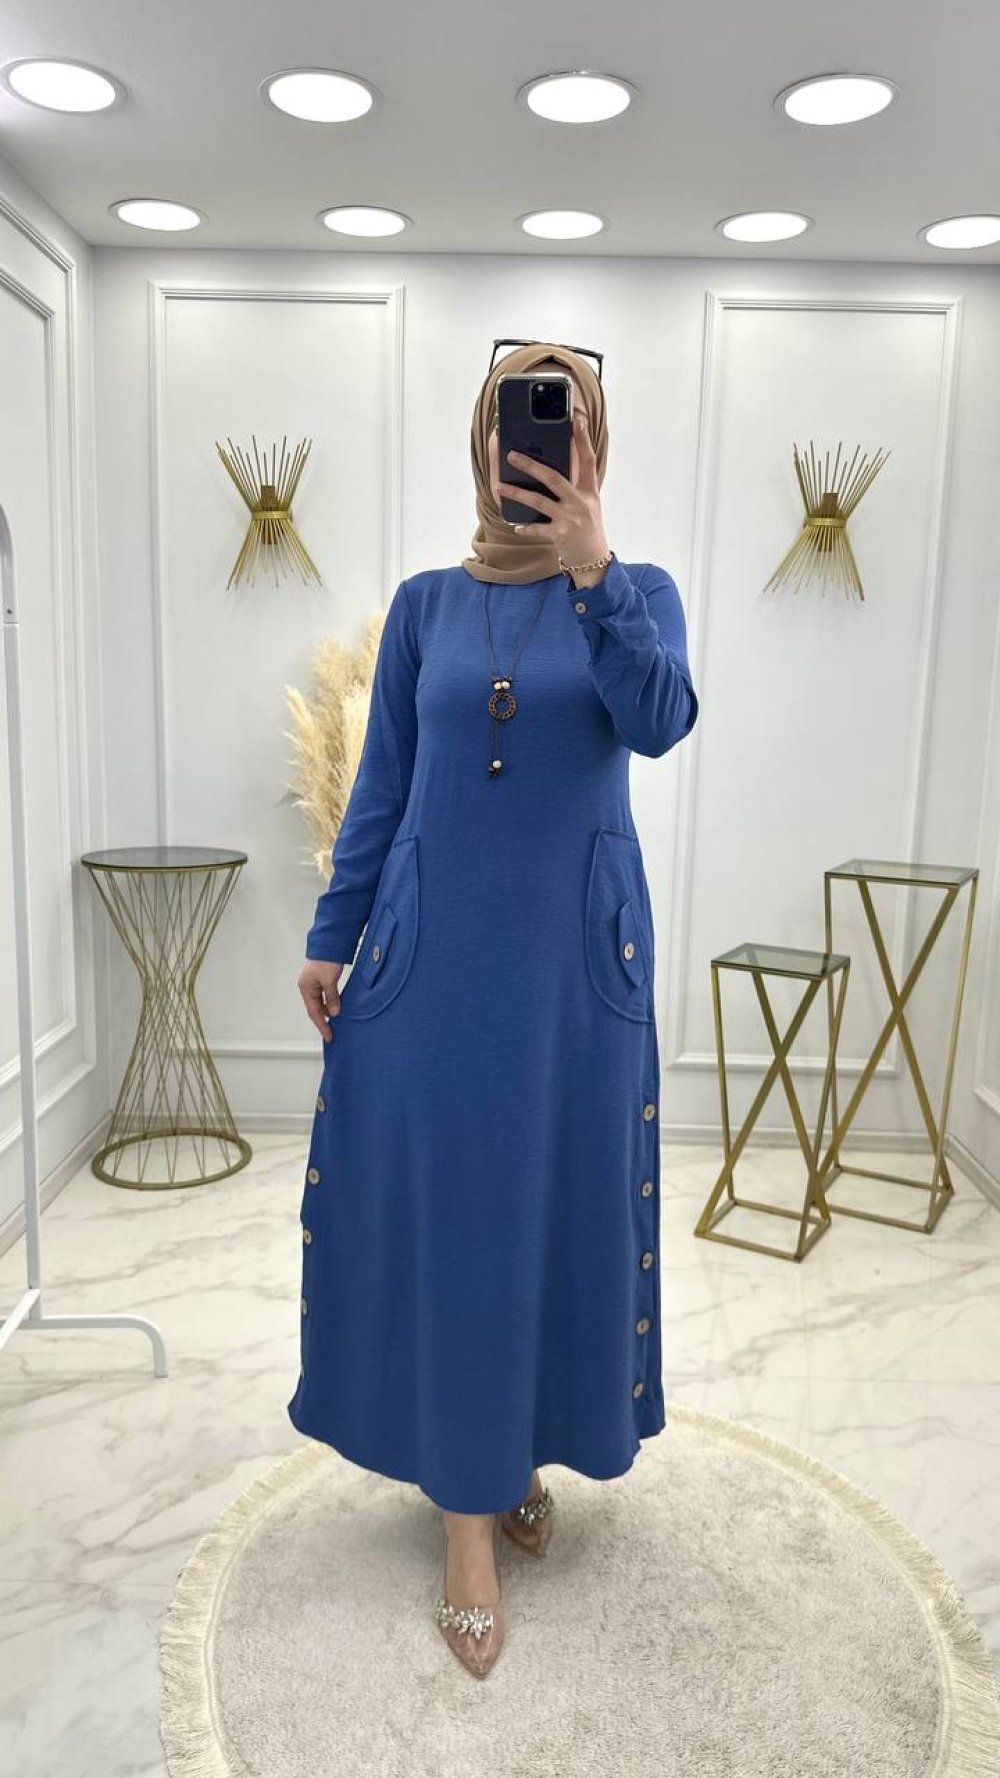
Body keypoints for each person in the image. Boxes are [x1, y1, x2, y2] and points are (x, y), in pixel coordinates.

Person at [290, 341, 699, 1678]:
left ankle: (516, 1450)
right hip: (437, 962)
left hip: (574, 971)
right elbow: (383, 784)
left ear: (594, 448)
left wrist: (593, 569)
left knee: (549, 1208)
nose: (534, 448)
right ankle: (466, 1519)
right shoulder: (424, 607)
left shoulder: (637, 591)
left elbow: (660, 719)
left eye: (563, 426)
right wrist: (335, 933)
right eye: (518, 426)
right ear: (482, 444)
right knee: (462, 1219)